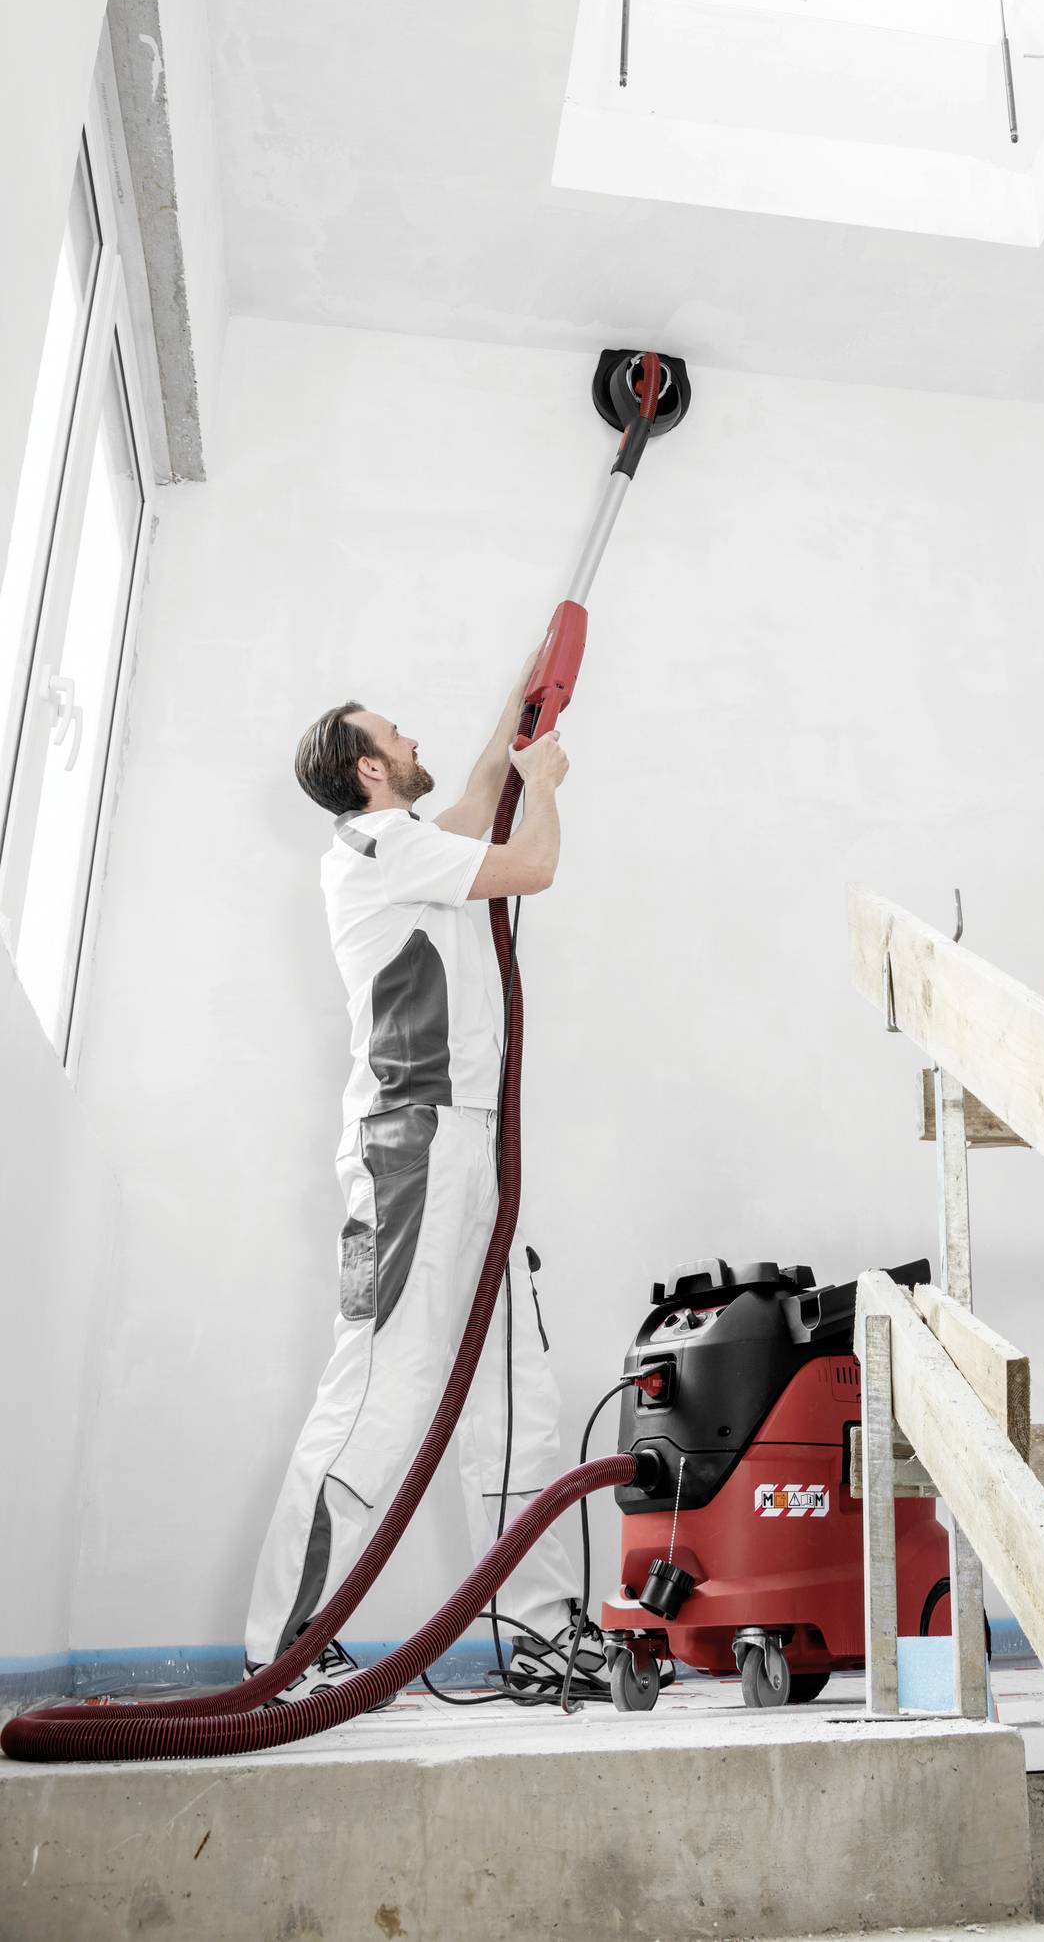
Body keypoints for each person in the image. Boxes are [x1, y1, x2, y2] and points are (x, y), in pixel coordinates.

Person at [243, 663, 599, 1701]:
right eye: (395, 734)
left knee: (510, 1393)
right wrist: (551, 781)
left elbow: (481, 798)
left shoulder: (400, 845)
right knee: (377, 1392)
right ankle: (285, 1641)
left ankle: (539, 1628)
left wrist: (532, 705)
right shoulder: (383, 848)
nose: (411, 737)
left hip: (464, 1147)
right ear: (370, 767)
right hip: (412, 1153)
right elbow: (527, 860)